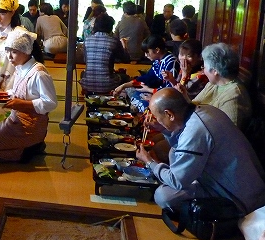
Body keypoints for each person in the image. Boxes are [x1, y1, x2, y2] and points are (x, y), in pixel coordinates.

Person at [136, 88, 265, 215]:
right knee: (173, 154)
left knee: (163, 196)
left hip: (237, 197)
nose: (157, 120)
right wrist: (164, 129)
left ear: (169, 114)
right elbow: (181, 147)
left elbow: (177, 181)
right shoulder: (205, 110)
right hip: (241, 184)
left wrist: (150, 162)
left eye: (158, 117)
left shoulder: (196, 130)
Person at [0, 29, 57, 163]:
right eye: (7, 51)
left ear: (26, 51)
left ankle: (29, 148)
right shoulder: (20, 67)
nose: (9, 56)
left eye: (13, 51)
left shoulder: (39, 73)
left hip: (31, 124)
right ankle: (30, 146)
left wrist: (21, 104)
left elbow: (50, 103)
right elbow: (18, 91)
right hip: (16, 118)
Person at [189, 42, 251, 129]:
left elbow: (229, 132)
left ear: (215, 71)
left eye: (204, 67)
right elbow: (193, 105)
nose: (203, 71)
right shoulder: (213, 84)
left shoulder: (234, 96)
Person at [113, 34, 179, 112]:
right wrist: (124, 85)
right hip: (157, 91)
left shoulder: (170, 62)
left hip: (167, 98)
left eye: (147, 52)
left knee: (143, 103)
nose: (145, 55)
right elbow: (148, 77)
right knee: (130, 90)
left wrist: (149, 90)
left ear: (157, 50)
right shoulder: (158, 61)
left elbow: (170, 90)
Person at [80, 14, 130, 94]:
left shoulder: (87, 40)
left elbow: (85, 60)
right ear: (110, 27)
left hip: (88, 84)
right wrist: (124, 45)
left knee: (83, 73)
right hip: (107, 85)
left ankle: (88, 91)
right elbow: (126, 60)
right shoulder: (113, 41)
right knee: (125, 77)